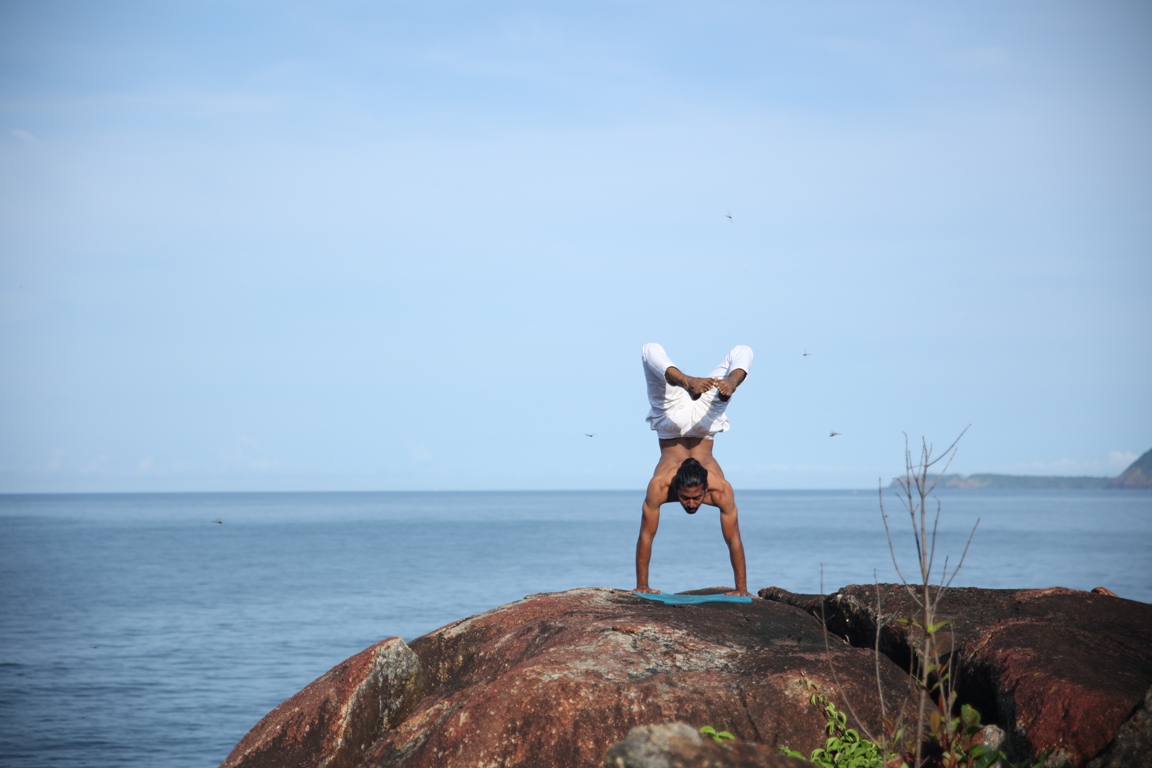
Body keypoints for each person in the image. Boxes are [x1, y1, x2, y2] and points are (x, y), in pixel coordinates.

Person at [633, 343, 753, 597]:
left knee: (743, 350)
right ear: (676, 487)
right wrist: (642, 585)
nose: (689, 504)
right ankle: (686, 381)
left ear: (706, 488)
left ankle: (730, 382)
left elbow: (734, 540)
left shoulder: (720, 490)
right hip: (689, 421)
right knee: (649, 349)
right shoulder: (660, 487)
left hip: (680, 420)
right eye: (686, 497)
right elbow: (646, 536)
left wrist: (741, 589)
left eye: (695, 498)